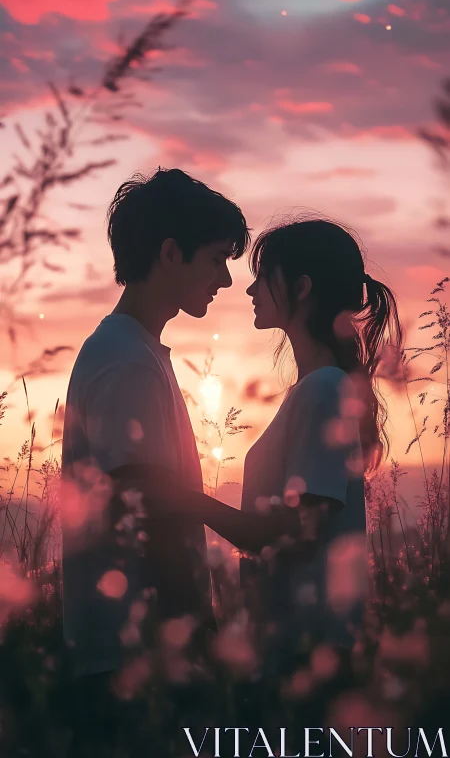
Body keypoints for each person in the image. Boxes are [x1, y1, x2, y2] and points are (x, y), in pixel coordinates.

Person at [128, 216, 405, 729]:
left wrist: (184, 499)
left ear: (301, 288)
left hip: (311, 655)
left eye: (263, 276)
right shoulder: (316, 389)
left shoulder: (324, 391)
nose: (250, 288)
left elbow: (293, 532)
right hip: (293, 648)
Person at [60, 167, 250, 754]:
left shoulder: (136, 351)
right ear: (171, 253)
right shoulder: (126, 359)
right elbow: (146, 497)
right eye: (217, 258)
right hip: (134, 654)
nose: (224, 278)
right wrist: (193, 627)